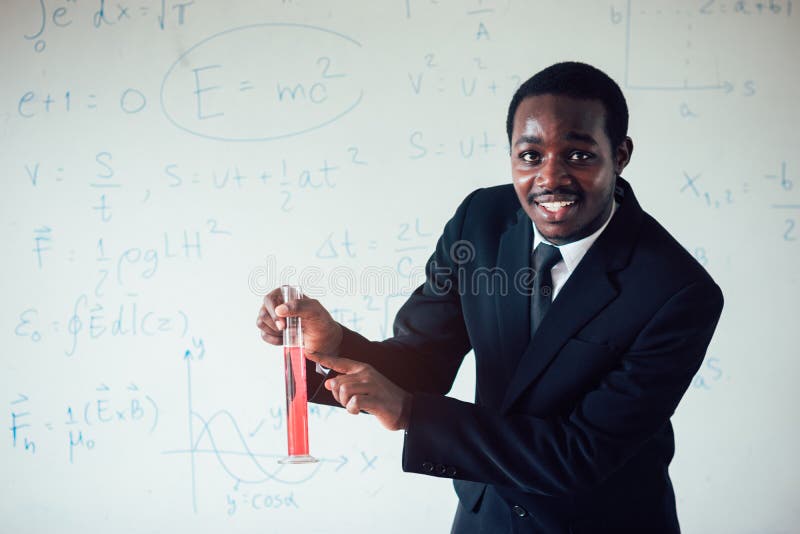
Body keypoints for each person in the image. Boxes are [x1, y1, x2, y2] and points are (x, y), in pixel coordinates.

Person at [256, 62, 723, 533]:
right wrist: (331, 344)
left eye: (579, 155)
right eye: (530, 155)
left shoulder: (677, 292)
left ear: (619, 155)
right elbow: (422, 362)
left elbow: (581, 454)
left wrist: (410, 414)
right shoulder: (480, 220)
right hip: (486, 519)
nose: (550, 178)